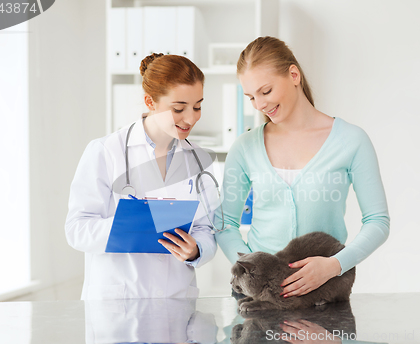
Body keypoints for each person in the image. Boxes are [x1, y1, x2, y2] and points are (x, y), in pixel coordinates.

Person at [215, 36, 390, 298]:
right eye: (251, 97)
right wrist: (248, 271)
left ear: (294, 75)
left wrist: (335, 265)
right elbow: (225, 222)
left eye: (266, 91)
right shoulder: (245, 146)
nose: (260, 104)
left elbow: (378, 221)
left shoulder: (352, 140)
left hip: (323, 294)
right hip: (256, 298)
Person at [65, 53, 217, 300]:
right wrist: (129, 226)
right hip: (119, 300)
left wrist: (196, 249)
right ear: (150, 102)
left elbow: (205, 227)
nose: (191, 118)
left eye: (197, 106)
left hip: (175, 298)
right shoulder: (106, 151)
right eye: (178, 108)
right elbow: (76, 229)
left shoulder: (199, 159)